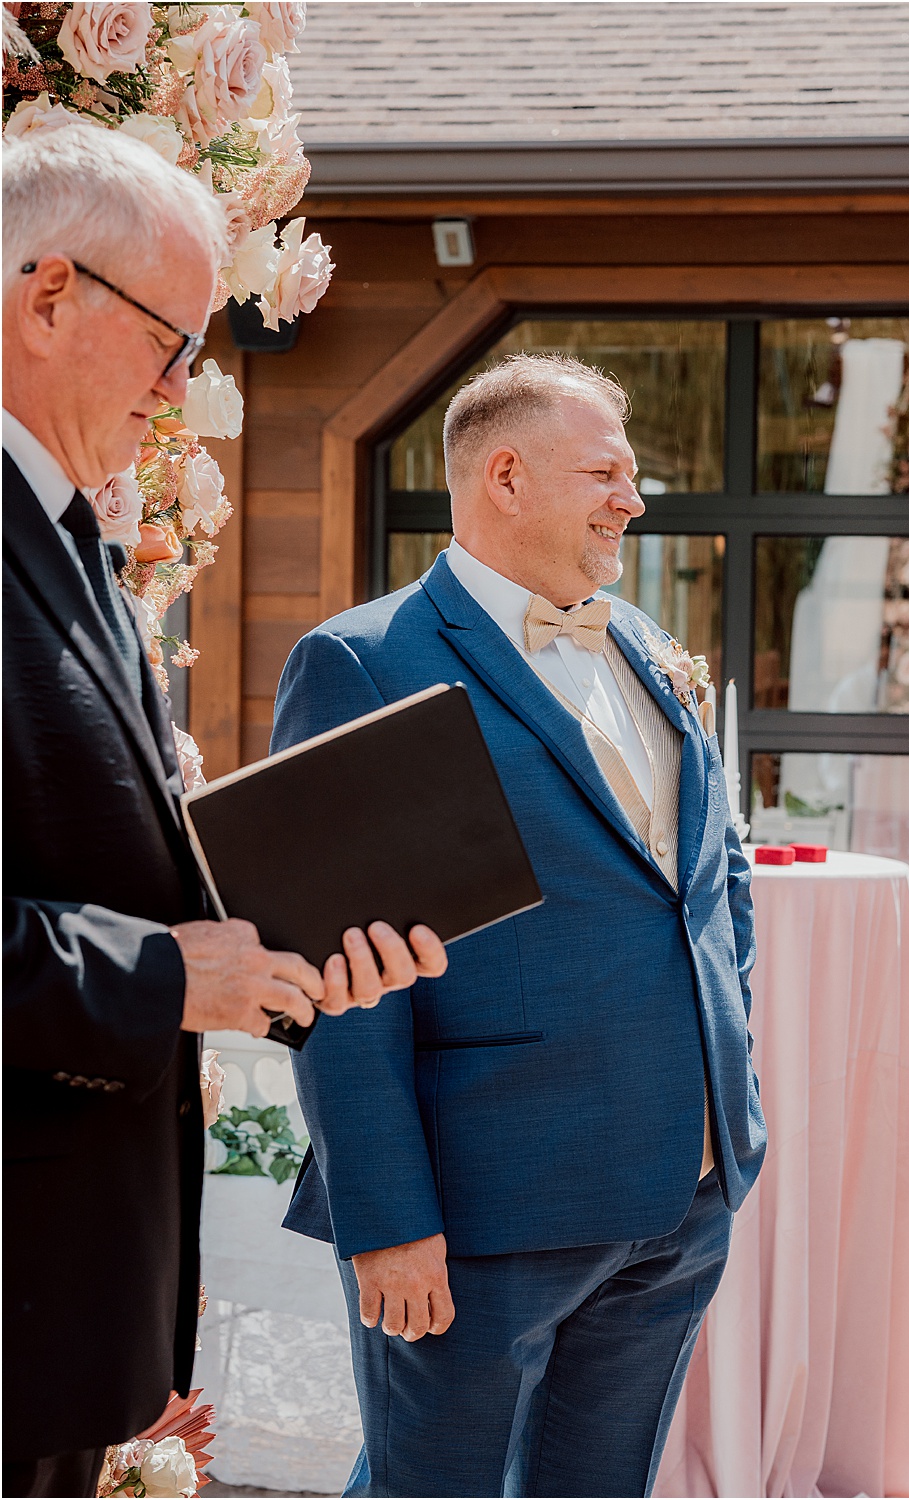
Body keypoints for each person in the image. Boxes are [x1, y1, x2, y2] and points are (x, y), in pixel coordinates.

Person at [3, 127, 439, 1498]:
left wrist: (296, 954)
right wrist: (157, 977)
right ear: (48, 294)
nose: (184, 391)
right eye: (171, 342)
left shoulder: (68, 536)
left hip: (61, 1320)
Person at [271, 354, 764, 1497]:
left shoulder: (643, 641)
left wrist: (725, 1096)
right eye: (606, 472)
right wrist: (385, 1219)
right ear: (503, 474)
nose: (631, 501)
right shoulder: (364, 661)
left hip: (679, 1196)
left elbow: (712, 880)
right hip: (483, 1206)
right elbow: (341, 980)